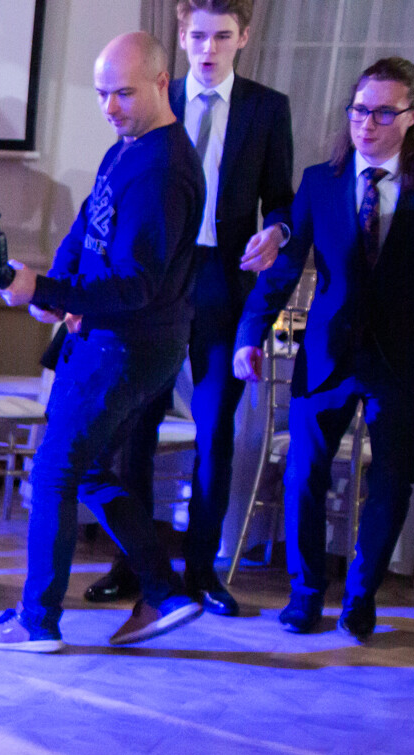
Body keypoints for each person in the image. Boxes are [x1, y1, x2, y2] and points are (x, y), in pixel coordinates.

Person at [0, 32, 206, 653]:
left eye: (123, 93)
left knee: (54, 471)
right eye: (101, 94)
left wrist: (47, 288)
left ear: (161, 83)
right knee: (87, 468)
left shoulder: (162, 169)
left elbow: (137, 284)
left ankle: (36, 620)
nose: (110, 107)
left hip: (126, 346)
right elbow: (85, 232)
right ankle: (163, 591)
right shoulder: (128, 148)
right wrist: (54, 289)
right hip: (116, 338)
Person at [236, 57, 414, 641]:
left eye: (384, 113)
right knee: (304, 474)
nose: (366, 123)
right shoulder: (321, 180)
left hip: (404, 358)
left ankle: (361, 597)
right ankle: (306, 593)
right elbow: (285, 266)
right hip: (326, 354)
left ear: (413, 116)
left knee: (391, 482)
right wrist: (250, 334)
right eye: (359, 110)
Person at [82, 0, 293, 616]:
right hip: (154, 284)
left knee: (215, 429)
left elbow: (281, 199)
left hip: (222, 282)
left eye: (221, 36)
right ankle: (135, 566)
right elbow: (119, 188)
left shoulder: (266, 108)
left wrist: (278, 230)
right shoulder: (154, 94)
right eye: (198, 36)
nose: (208, 49)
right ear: (181, 35)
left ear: (243, 38)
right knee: (135, 428)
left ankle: (203, 572)